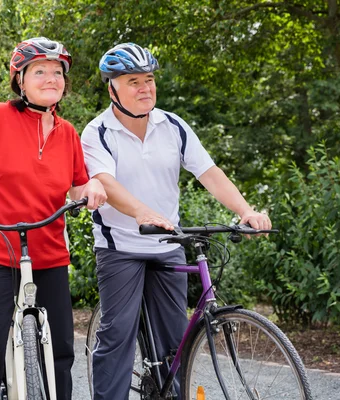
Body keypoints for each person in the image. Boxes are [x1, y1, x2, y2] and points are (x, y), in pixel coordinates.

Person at [80, 42, 272, 400]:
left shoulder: (173, 125)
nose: (145, 88)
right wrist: (140, 211)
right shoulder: (97, 132)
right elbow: (105, 182)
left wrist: (245, 211)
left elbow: (209, 173)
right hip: (120, 246)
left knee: (174, 339)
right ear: (113, 88)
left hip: (167, 243)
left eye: (149, 79)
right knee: (118, 334)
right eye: (133, 81)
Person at [0, 37, 106, 400]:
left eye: (57, 72)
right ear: (20, 80)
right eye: (40, 71)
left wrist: (90, 188)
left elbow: (77, 188)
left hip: (50, 253)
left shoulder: (69, 132)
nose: (51, 78)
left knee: (59, 356)